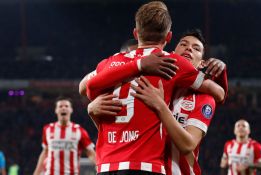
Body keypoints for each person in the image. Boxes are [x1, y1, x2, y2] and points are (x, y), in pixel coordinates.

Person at [84, 1, 225, 174]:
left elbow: (188, 144)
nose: (188, 49)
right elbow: (86, 86)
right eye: (183, 44)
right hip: (145, 166)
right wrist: (91, 109)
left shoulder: (202, 98)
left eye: (196, 48)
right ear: (169, 41)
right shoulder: (168, 64)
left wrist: (221, 71)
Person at [33, 96, 96, 175]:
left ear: (71, 110)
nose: (63, 108)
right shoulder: (48, 129)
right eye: (60, 106)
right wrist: (36, 173)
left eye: (66, 106)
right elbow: (45, 152)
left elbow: (91, 153)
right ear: (56, 110)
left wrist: (99, 167)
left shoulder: (79, 130)